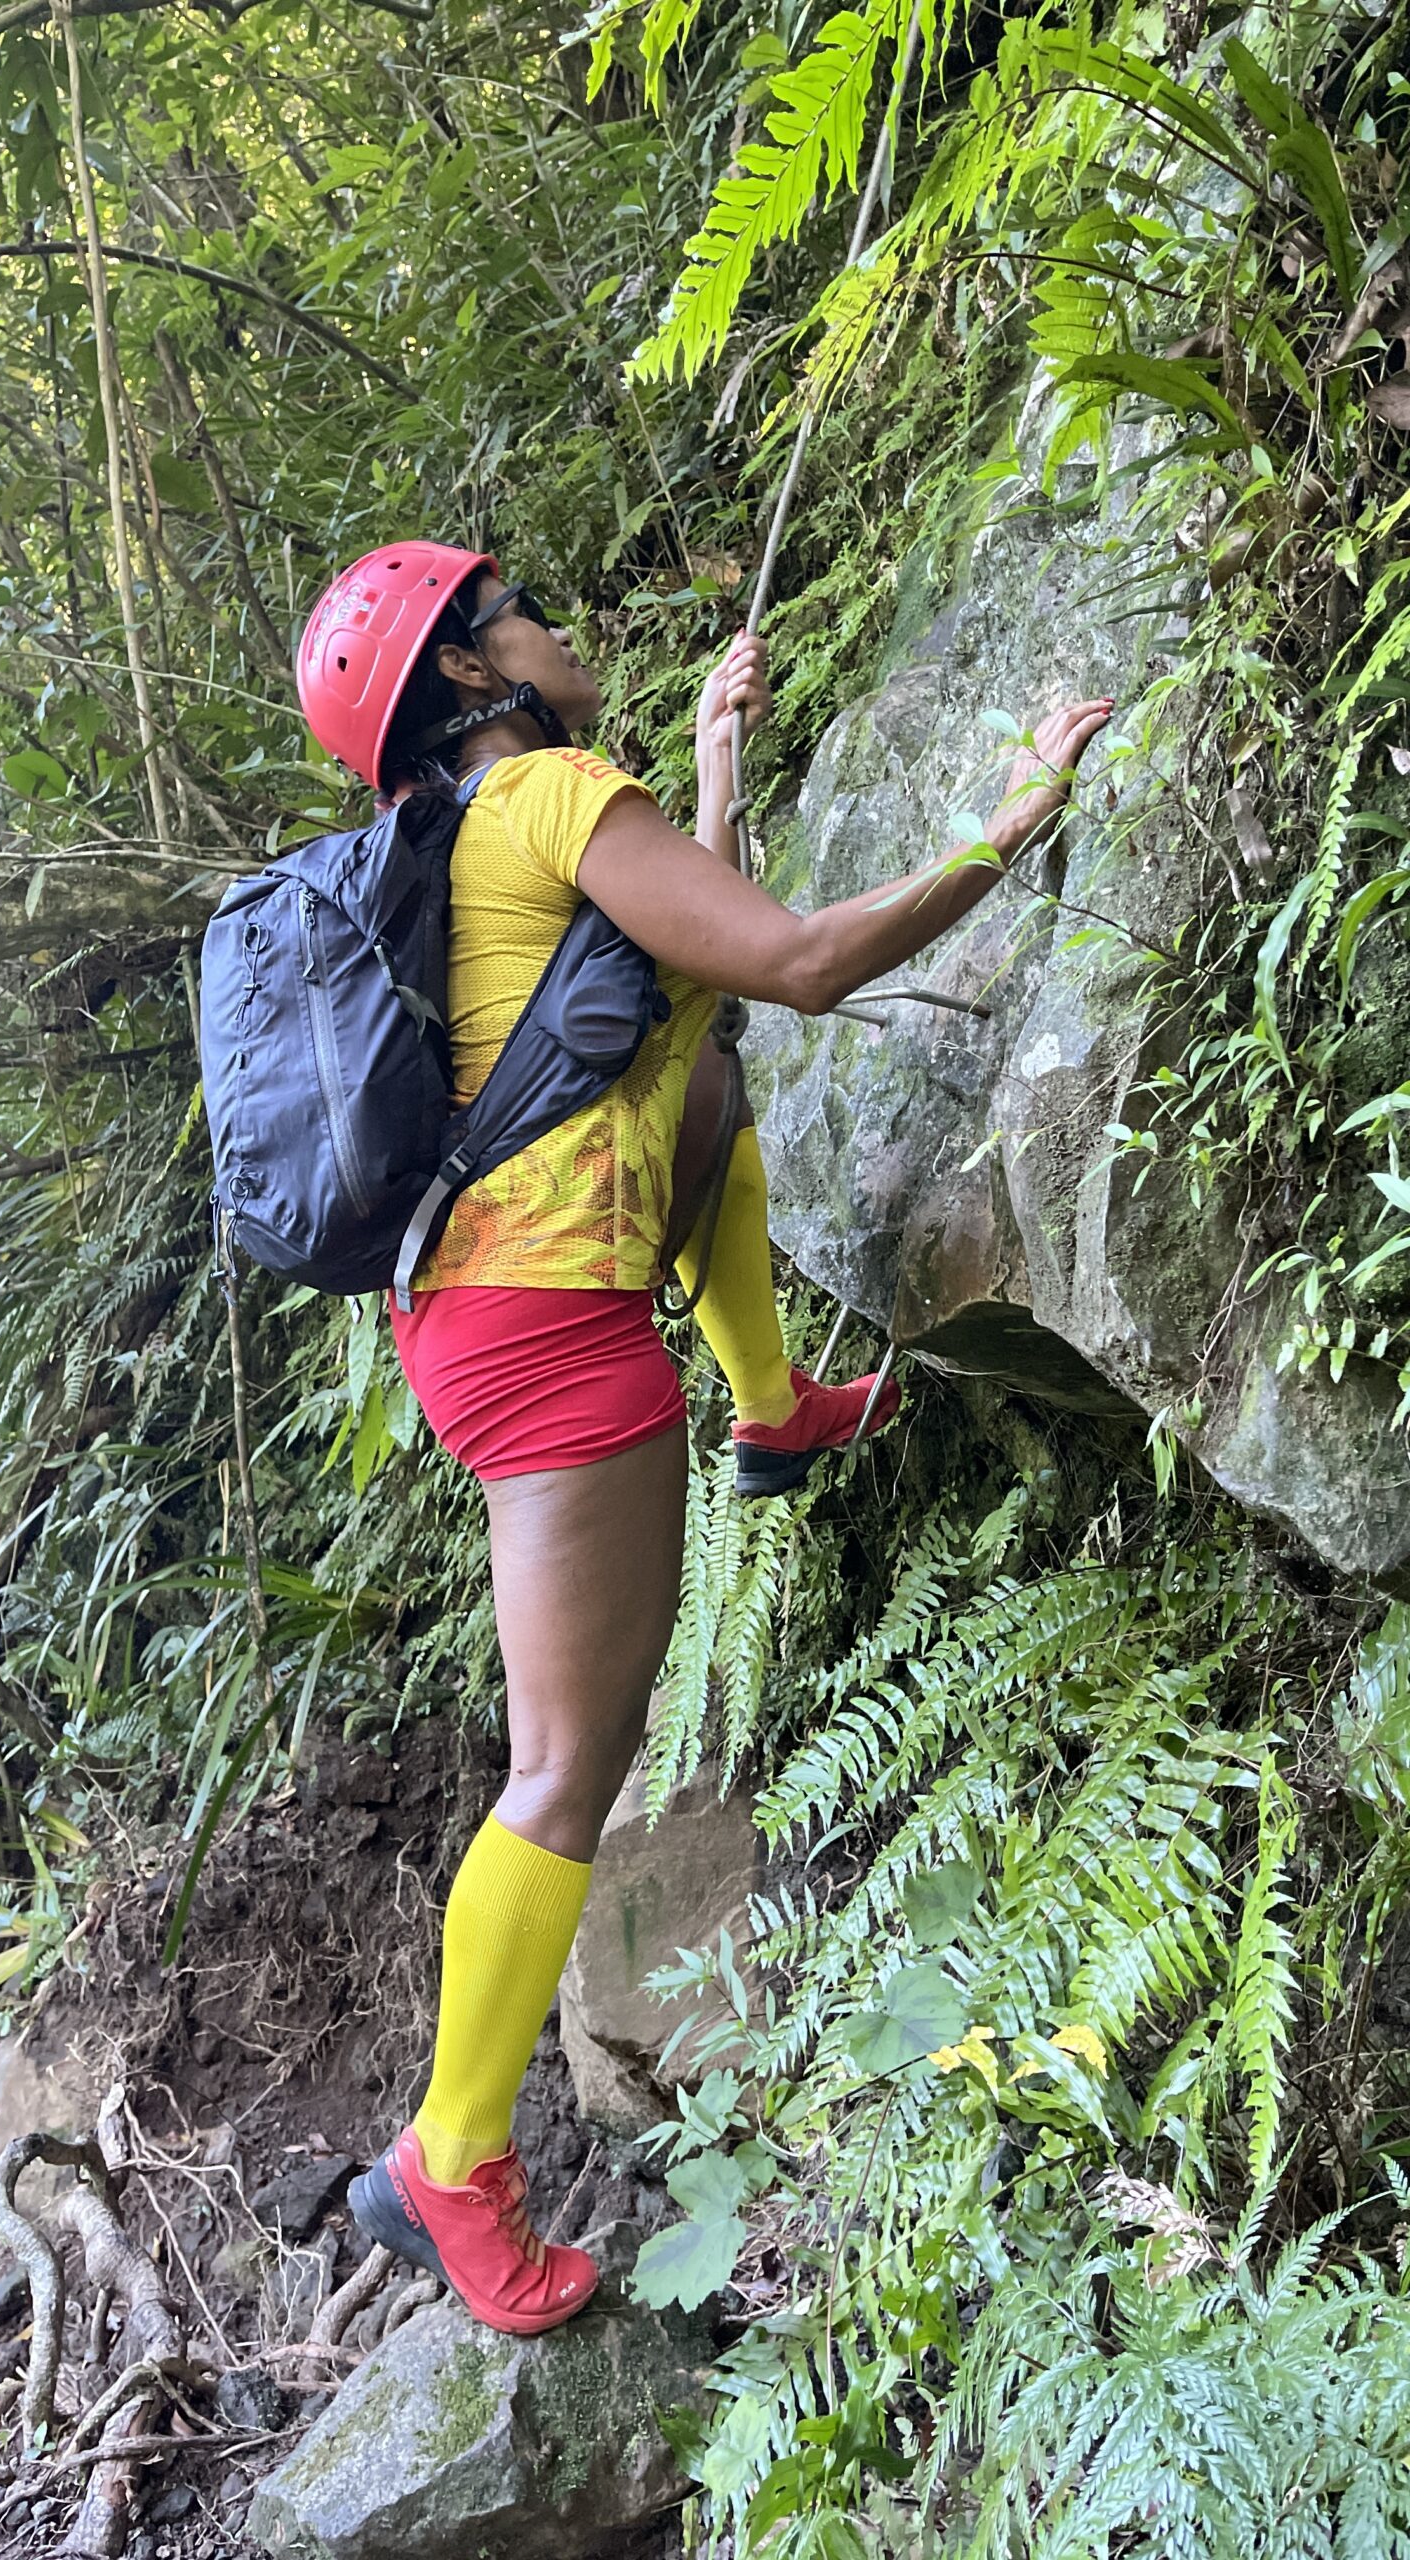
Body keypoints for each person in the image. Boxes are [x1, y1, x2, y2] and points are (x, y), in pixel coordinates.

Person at [295, 541, 1112, 2335]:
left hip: (484, 1315)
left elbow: (686, 1001)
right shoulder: (560, 795)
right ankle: (453, 2164)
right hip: (552, 1336)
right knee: (566, 1769)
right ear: (467, 676)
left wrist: (720, 763)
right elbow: (802, 959)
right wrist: (1016, 817)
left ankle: (774, 1406)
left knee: (713, 1103)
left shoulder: (487, 830)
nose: (553, 616)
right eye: (517, 607)